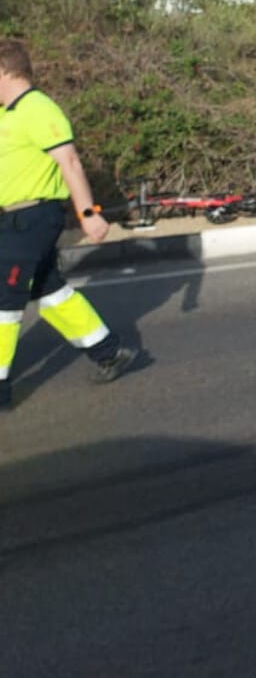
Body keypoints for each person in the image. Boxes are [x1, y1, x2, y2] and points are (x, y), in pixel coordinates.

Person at [0, 39, 138, 411]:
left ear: (5, 71)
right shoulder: (8, 114)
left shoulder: (39, 110)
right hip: (13, 218)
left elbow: (70, 163)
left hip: (32, 217)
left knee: (4, 299)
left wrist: (89, 213)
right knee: (49, 292)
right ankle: (109, 352)